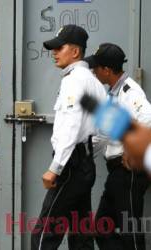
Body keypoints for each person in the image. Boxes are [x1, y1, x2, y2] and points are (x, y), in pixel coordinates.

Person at [31, 24, 107, 250]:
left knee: (45, 233)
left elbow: (71, 125)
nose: (54, 53)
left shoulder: (74, 80)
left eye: (59, 48)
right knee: (81, 233)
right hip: (83, 164)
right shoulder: (92, 81)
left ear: (75, 52)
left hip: (70, 166)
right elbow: (104, 128)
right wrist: (88, 155)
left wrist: (56, 167)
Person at [85, 43, 151, 250]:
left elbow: (148, 119)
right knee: (101, 229)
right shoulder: (112, 94)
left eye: (96, 67)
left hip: (128, 173)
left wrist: (133, 153)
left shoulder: (130, 91)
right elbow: (104, 134)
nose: (93, 71)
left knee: (130, 232)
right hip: (116, 174)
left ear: (106, 70)